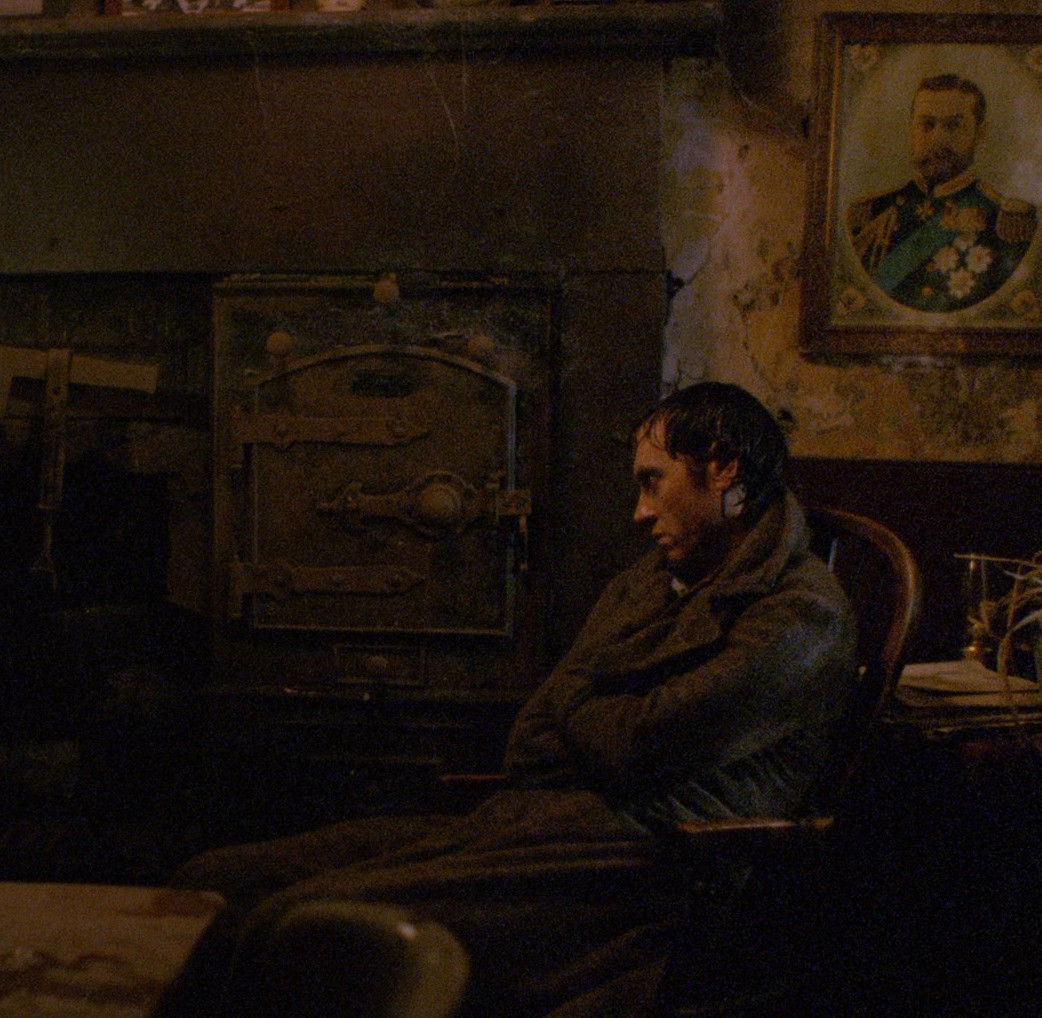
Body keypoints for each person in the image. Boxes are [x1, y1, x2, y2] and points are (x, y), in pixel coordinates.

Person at [153, 382, 857, 1018]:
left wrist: (586, 704)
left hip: (639, 870)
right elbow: (535, 734)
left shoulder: (800, 616)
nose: (640, 513)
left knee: (303, 923)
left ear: (723, 467)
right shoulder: (655, 579)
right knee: (218, 882)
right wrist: (593, 715)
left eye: (654, 482)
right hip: (541, 820)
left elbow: (636, 744)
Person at [848, 73, 1035, 313]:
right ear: (911, 129)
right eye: (927, 124)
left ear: (980, 132)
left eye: (953, 125)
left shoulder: (1005, 223)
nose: (937, 138)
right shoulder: (872, 213)